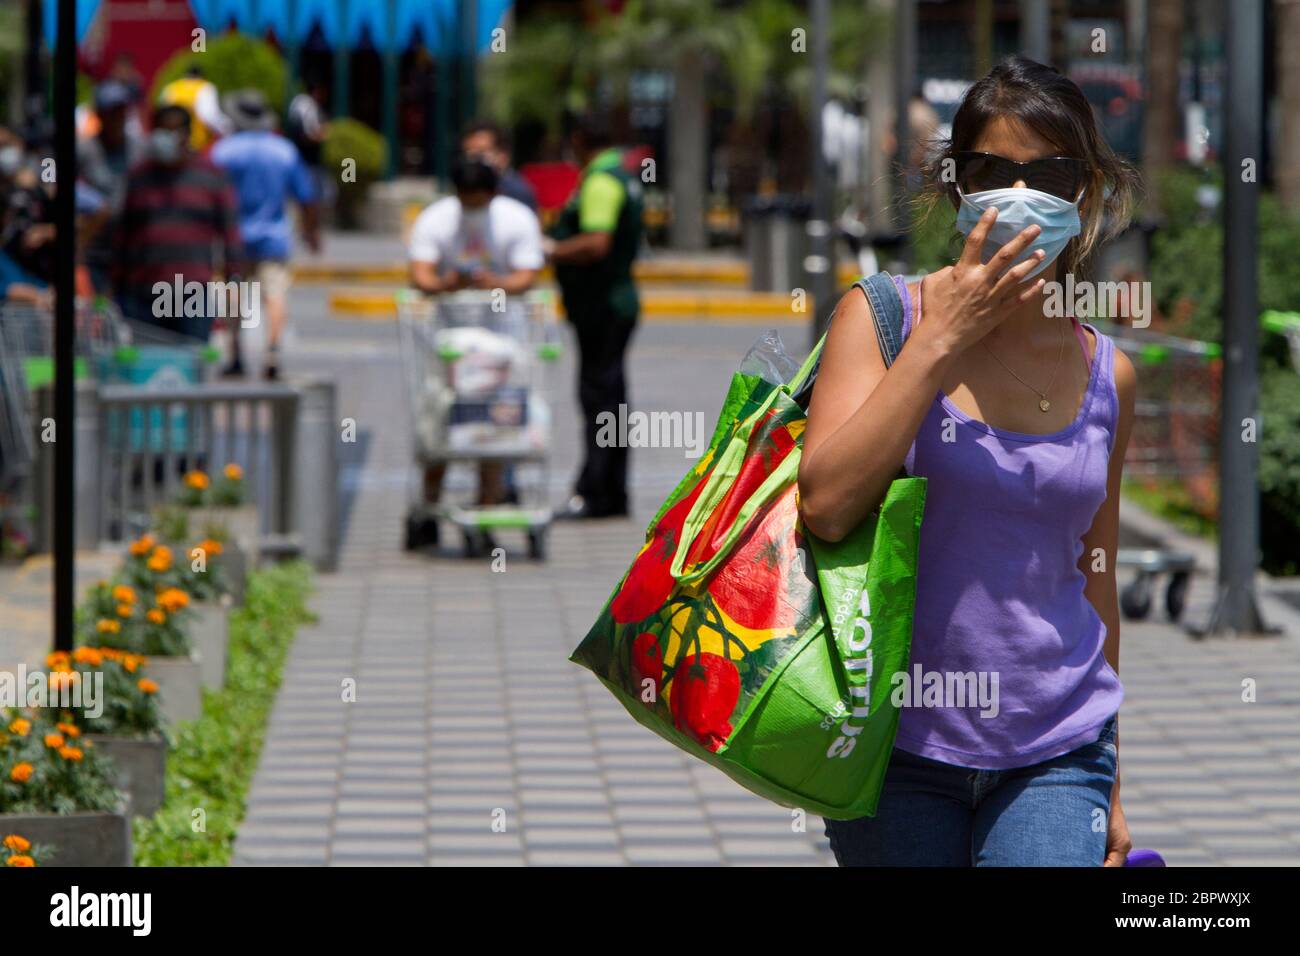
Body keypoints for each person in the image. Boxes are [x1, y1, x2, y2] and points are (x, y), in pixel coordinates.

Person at [798, 56, 1140, 867]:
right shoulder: (879, 317)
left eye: (1049, 174)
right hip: (896, 745)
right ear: (957, 185)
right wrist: (944, 337)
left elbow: (1096, 576)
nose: (1020, 196)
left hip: (1059, 752)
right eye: (993, 170)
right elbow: (828, 504)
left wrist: (1114, 776)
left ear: (1084, 192)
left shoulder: (1108, 373)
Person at [407, 156, 545, 523]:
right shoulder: (436, 219)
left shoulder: (516, 218)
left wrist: (494, 284)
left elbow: (526, 276)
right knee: (441, 418)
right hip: (448, 340)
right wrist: (444, 284)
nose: (470, 206)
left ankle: (488, 503)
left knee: (495, 421)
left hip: (501, 341)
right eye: (464, 198)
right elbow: (420, 273)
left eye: (477, 199)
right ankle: (430, 507)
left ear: (493, 192)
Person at [546, 110, 643, 520]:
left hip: (603, 306)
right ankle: (609, 490)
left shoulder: (601, 180)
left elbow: (596, 242)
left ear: (582, 139)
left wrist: (549, 249)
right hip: (611, 305)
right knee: (611, 398)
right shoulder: (620, 174)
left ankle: (599, 491)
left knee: (600, 400)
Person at [211, 89, 321, 379]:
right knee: (274, 294)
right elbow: (306, 196)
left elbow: (209, 193)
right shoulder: (283, 150)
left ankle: (235, 354)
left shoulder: (223, 152)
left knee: (234, 293)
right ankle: (272, 353)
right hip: (274, 236)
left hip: (233, 237)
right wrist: (312, 232)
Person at [114, 104, 242, 341]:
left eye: (171, 131)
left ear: (186, 135)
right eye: (160, 131)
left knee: (191, 367)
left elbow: (230, 234)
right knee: (147, 369)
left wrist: (233, 281)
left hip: (193, 293)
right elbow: (124, 235)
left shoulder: (211, 176)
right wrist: (116, 286)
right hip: (144, 292)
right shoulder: (139, 177)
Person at [78, 80, 145, 292]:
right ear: (99, 114)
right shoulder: (84, 148)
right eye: (111, 111)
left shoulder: (140, 147)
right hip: (95, 249)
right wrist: (88, 202)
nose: (117, 117)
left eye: (121, 111)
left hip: (133, 249)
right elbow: (49, 172)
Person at [462, 119, 537, 212]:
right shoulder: (465, 189)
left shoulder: (517, 193)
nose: (473, 160)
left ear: (503, 155)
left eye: (481, 153)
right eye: (468, 154)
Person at [158, 65, 230, 151]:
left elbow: (161, 113)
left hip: (172, 143)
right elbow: (209, 115)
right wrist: (227, 130)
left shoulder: (172, 87)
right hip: (196, 141)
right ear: (201, 76)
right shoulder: (204, 87)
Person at [287, 76, 330, 193]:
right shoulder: (304, 105)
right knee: (310, 197)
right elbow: (305, 135)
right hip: (305, 161)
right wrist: (325, 135)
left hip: (309, 161)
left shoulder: (306, 104)